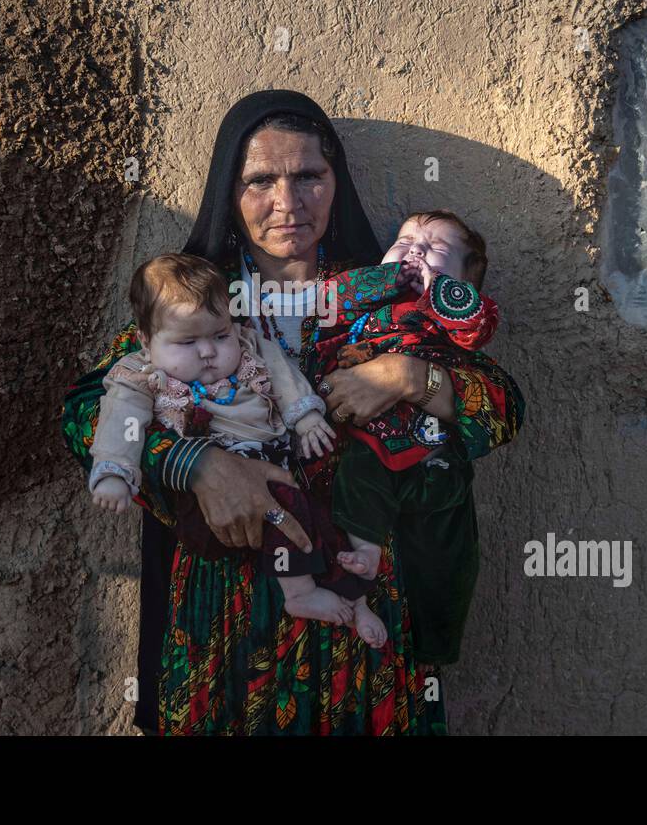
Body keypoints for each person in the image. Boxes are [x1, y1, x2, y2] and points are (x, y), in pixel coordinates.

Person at [60, 89, 524, 734]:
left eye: (309, 175)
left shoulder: (385, 297)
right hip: (226, 604)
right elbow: (90, 408)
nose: (289, 202)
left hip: (361, 598)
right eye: (260, 181)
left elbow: (499, 408)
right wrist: (198, 465)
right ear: (229, 189)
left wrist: (408, 375)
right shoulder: (195, 302)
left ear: (336, 184)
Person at [87, 252, 387, 647]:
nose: (208, 352)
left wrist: (305, 417)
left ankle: (356, 597)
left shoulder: (249, 347)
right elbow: (118, 420)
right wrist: (114, 472)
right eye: (188, 342)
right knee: (291, 524)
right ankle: (299, 595)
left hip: (277, 468)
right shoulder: (140, 375)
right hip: (213, 523)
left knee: (319, 526)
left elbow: (283, 375)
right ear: (146, 339)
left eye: (220, 335)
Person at [310, 209, 502, 666]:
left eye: (436, 248)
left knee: (445, 544)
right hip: (372, 443)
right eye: (404, 240)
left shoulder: (449, 315)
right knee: (361, 486)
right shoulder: (368, 306)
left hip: (431, 451)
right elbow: (330, 300)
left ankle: (436, 641)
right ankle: (365, 562)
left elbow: (478, 323)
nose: (415, 250)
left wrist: (437, 287)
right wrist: (389, 279)